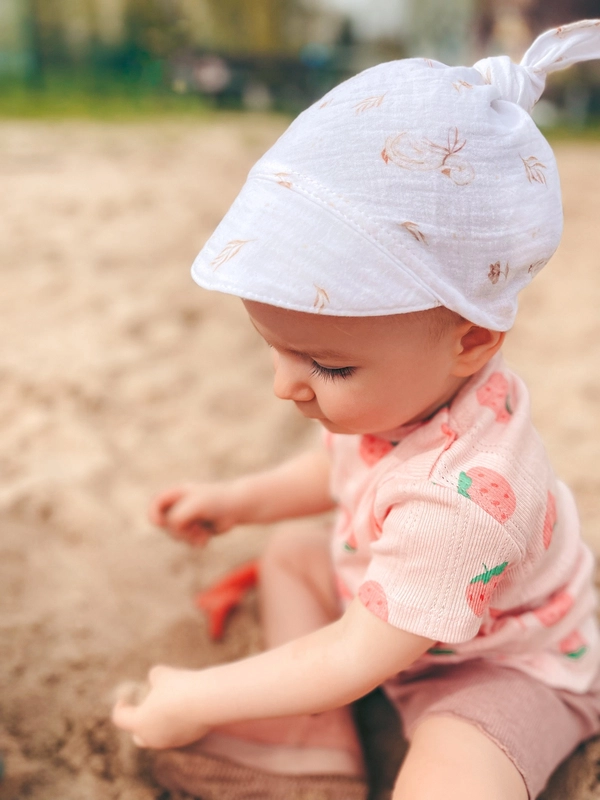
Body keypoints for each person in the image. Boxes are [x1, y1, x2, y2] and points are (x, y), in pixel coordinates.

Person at [113, 20, 600, 800]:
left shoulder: (466, 501)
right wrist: (238, 501)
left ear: (473, 338)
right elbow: (339, 470)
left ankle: (343, 732)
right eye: (274, 348)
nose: (285, 386)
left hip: (498, 667)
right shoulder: (401, 392)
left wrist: (195, 697)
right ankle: (314, 746)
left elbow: (352, 657)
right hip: (404, 616)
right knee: (291, 553)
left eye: (328, 366)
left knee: (452, 771)